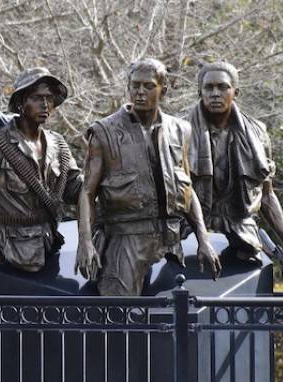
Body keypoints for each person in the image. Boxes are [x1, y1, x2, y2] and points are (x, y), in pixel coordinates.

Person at [76, 58, 221, 296]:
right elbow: (87, 192)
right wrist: (85, 242)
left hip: (172, 237)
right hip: (127, 236)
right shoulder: (105, 131)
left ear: (163, 89)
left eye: (148, 86)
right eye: (135, 85)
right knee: (118, 311)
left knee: (177, 315)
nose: (140, 92)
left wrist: (203, 238)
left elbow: (187, 188)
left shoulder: (180, 130)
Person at [0, 67, 82, 272]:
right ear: (21, 102)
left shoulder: (58, 144)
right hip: (6, 242)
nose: (45, 104)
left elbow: (75, 189)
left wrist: (106, 180)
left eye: (49, 98)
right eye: (37, 98)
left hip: (48, 240)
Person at [186, 61, 283, 274]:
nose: (215, 93)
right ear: (200, 92)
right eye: (209, 88)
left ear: (235, 92)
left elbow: (267, 196)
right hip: (189, 222)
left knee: (248, 255)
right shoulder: (180, 132)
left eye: (223, 87)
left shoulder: (257, 134)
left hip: (239, 222)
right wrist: (202, 239)